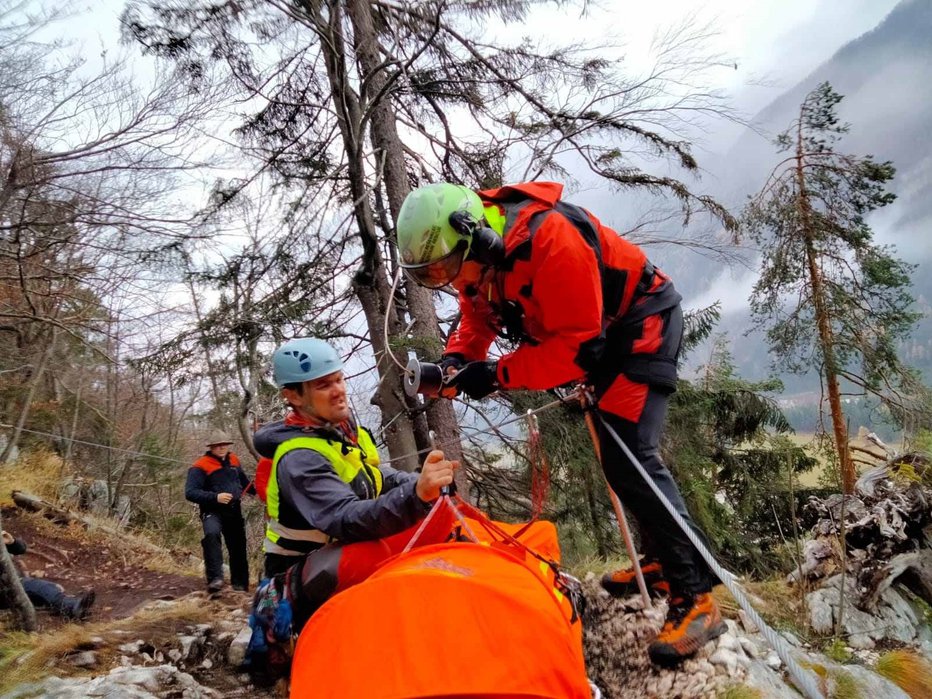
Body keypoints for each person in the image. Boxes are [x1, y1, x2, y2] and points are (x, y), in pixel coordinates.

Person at [397, 181, 724, 666]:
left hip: (639, 324)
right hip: (601, 335)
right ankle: (661, 561)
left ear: (476, 238)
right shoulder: (476, 260)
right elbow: (479, 317)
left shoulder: (552, 241)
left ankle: (696, 596)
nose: (444, 279)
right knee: (618, 461)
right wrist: (457, 361)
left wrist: (497, 375)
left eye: (445, 266)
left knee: (631, 456)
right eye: (430, 275)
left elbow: (575, 351)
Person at [243, 337, 458, 681]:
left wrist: (419, 484)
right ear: (294, 397)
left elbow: (375, 476)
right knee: (369, 550)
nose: (339, 390)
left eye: (339, 379)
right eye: (323, 385)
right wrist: (416, 495)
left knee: (442, 513)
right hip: (300, 573)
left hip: (332, 556)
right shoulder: (300, 458)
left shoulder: (338, 433)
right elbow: (346, 519)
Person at [185, 433, 252, 593]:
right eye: (218, 445)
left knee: (238, 545)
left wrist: (260, 489)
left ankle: (240, 584)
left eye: (224, 444)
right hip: (211, 510)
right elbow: (190, 492)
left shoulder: (234, 460)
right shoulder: (200, 466)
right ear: (211, 447)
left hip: (234, 510)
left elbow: (244, 483)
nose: (222, 447)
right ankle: (215, 580)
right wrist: (215, 497)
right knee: (211, 536)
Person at [1, 530, 95, 620]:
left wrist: (12, 542)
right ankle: (71, 606)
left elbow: (21, 549)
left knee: (47, 590)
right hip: (5, 589)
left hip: (10, 584)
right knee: (38, 587)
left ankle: (74, 609)